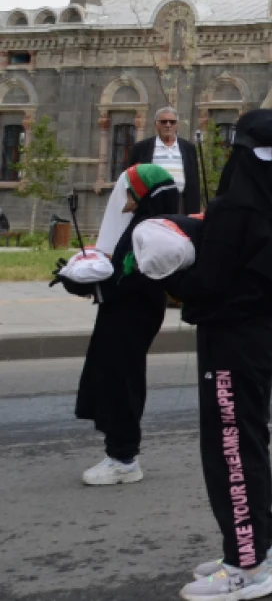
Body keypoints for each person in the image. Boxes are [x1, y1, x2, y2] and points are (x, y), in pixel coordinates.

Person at [169, 109, 272, 598]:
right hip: (265, 333)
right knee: (249, 442)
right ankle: (259, 548)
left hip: (233, 339)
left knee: (230, 449)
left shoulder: (237, 206)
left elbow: (208, 280)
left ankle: (245, 564)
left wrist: (166, 272)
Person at [67, 164, 179, 486]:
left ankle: (124, 459)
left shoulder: (149, 232)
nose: (124, 198)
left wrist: (87, 285)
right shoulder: (145, 226)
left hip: (133, 314)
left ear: (143, 195)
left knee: (122, 378)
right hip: (125, 312)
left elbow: (134, 280)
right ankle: (118, 453)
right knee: (112, 373)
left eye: (129, 191)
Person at [127, 106, 202, 214]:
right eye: (163, 122)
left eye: (172, 122)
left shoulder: (188, 148)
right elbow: (130, 176)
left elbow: (194, 181)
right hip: (152, 203)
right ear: (156, 124)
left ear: (177, 125)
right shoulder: (141, 148)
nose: (168, 125)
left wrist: (194, 210)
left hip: (180, 202)